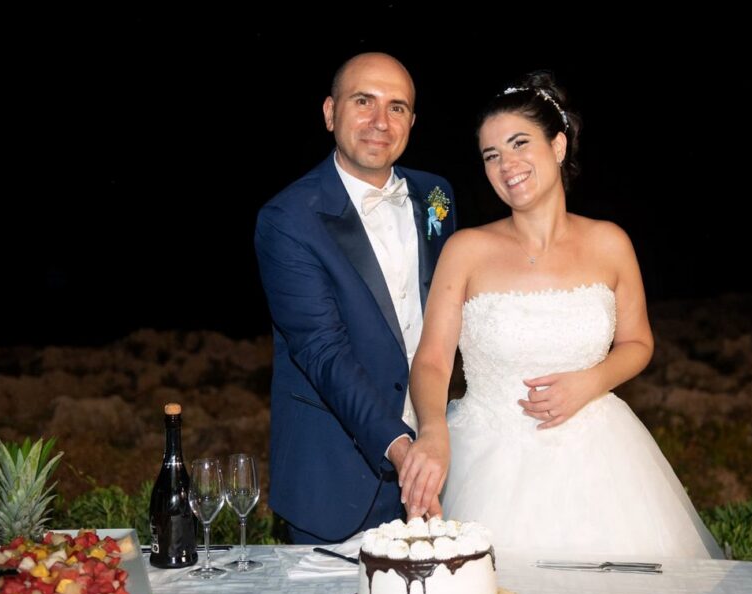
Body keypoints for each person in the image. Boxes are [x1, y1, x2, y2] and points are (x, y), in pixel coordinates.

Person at [400, 72, 721, 558]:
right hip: (487, 462)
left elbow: (637, 343)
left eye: (519, 144)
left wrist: (592, 382)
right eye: (491, 155)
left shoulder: (610, 243)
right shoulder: (466, 250)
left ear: (557, 145)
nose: (507, 165)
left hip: (600, 462)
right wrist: (432, 431)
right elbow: (432, 361)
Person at [254, 53, 455, 544]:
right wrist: (403, 449)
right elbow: (322, 351)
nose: (380, 121)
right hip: (334, 479)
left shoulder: (438, 196)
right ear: (330, 113)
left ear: (412, 122)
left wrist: (434, 435)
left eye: (397, 107)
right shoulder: (288, 218)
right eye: (363, 101)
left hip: (438, 464)